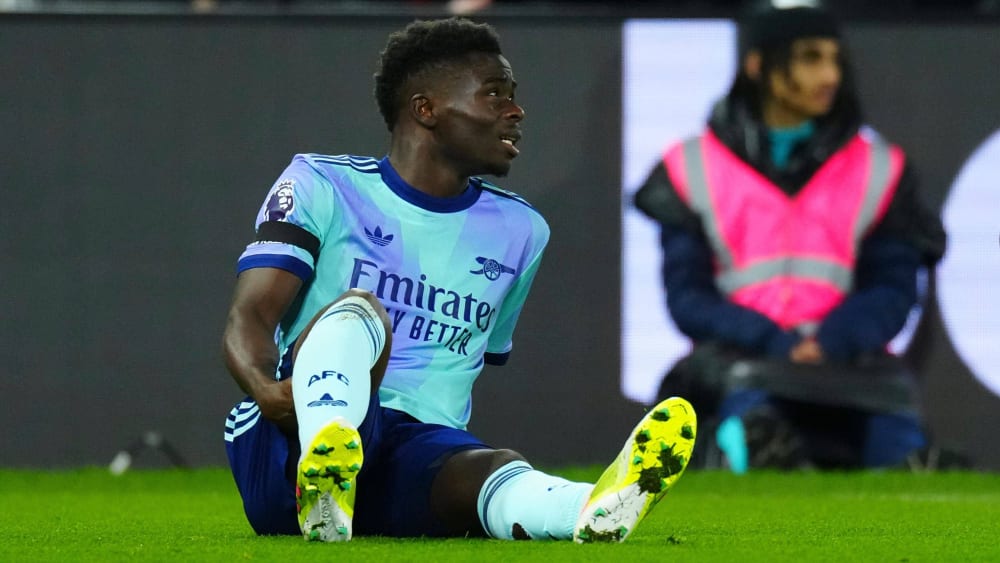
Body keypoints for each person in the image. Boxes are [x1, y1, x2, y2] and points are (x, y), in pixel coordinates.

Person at [222, 17, 696, 543]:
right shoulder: (322, 184)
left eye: (513, 96)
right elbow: (251, 314)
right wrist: (266, 391)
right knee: (360, 311)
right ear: (425, 109)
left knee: (494, 466)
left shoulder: (522, 231)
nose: (516, 111)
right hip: (287, 437)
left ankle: (589, 507)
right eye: (495, 94)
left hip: (409, 452)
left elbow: (473, 361)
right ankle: (325, 464)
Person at [633, 1, 945, 471]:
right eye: (810, 58)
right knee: (752, 430)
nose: (830, 76)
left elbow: (894, 288)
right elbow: (687, 298)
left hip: (849, 360)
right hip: (740, 360)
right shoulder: (690, 167)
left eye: (835, 59)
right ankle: (743, 448)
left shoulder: (881, 168)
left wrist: (833, 340)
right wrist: (773, 341)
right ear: (758, 65)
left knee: (900, 448)